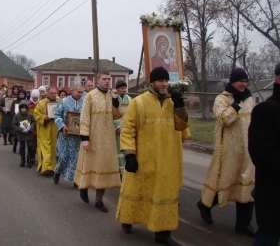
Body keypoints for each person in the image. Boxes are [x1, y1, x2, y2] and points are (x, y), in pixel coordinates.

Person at [116, 67, 190, 246]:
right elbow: (127, 130)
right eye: (160, 81)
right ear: (152, 83)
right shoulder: (139, 103)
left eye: (166, 81)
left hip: (168, 160)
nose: (164, 84)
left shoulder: (173, 103)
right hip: (145, 158)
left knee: (165, 195)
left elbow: (182, 128)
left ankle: (163, 234)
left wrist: (180, 107)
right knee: (138, 191)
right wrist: (130, 155)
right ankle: (128, 219)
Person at [197, 68, 256, 237]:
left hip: (247, 149)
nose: (243, 84)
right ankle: (205, 205)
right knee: (224, 181)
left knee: (246, 184)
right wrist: (236, 104)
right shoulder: (221, 99)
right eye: (240, 81)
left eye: (245, 81)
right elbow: (225, 120)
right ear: (232, 82)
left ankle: (243, 224)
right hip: (228, 151)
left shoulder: (249, 98)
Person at [73, 70, 122, 212]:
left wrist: (114, 100)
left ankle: (99, 200)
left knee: (103, 168)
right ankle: (84, 187)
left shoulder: (112, 95)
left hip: (107, 140)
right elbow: (84, 118)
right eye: (104, 79)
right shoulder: (90, 96)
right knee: (89, 165)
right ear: (98, 80)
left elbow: (117, 115)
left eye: (109, 79)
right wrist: (84, 139)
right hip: (93, 138)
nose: (107, 81)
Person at [248, 63, 280, 246]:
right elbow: (261, 153)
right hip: (273, 192)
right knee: (268, 236)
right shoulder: (265, 110)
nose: (244, 84)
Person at [53, 83, 84, 185]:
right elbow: (57, 115)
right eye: (78, 92)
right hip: (65, 135)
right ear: (73, 90)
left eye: (81, 92)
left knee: (77, 159)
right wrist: (62, 126)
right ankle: (57, 172)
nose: (80, 94)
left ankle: (76, 180)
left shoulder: (85, 102)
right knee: (63, 157)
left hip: (78, 137)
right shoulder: (64, 101)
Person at [33, 87, 60, 176]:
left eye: (55, 93)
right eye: (51, 93)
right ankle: (46, 167)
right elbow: (36, 114)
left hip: (55, 128)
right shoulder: (41, 103)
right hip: (45, 129)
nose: (53, 95)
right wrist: (43, 117)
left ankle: (53, 167)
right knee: (45, 148)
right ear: (47, 94)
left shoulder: (60, 102)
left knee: (54, 147)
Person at [113, 80, 132, 177]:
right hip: (117, 128)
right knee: (117, 148)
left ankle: (125, 170)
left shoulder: (129, 99)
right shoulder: (114, 98)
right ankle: (118, 171)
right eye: (122, 88)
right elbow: (113, 113)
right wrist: (117, 126)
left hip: (127, 127)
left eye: (125, 88)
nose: (124, 90)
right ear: (117, 89)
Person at [12, 101, 35, 168]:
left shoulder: (30, 115)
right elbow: (13, 125)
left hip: (29, 133)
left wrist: (31, 128)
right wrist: (20, 129)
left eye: (25, 108)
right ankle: (22, 160)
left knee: (30, 146)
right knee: (22, 147)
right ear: (20, 109)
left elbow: (33, 122)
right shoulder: (17, 116)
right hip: (21, 134)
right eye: (22, 108)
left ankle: (29, 160)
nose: (23, 109)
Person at [12, 89, 28, 153]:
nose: (22, 95)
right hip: (17, 120)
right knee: (16, 136)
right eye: (20, 94)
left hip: (24, 120)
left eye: (23, 94)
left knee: (23, 135)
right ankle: (14, 146)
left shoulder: (26, 102)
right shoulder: (15, 102)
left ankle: (21, 149)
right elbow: (12, 111)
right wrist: (16, 116)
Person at [27, 89, 40, 165]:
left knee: (37, 144)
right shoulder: (28, 104)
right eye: (34, 97)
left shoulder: (40, 104)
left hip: (39, 127)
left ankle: (35, 157)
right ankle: (31, 157)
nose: (35, 99)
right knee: (31, 144)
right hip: (31, 127)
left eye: (36, 97)